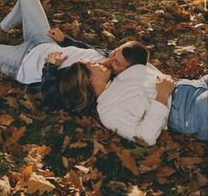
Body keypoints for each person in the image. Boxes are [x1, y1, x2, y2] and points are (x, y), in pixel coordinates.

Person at [0, 0, 138, 111]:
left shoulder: (96, 84)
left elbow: (50, 102)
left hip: (20, 63)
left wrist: (50, 66)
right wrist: (65, 40)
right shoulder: (109, 57)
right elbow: (86, 49)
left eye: (116, 62)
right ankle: (0, 30)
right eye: (114, 52)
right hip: (45, 41)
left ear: (127, 71)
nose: (109, 59)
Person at [57, 42, 208, 146]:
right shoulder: (109, 111)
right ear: (92, 80)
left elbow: (137, 55)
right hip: (187, 112)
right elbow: (145, 137)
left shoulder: (117, 76)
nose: (98, 62)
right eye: (92, 64)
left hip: (192, 87)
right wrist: (161, 97)